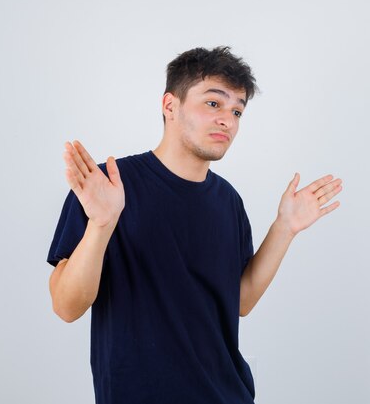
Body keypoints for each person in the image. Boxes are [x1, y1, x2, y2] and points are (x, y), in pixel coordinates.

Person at [46, 45, 343, 404]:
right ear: (170, 106)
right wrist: (101, 224)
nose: (228, 120)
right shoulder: (108, 186)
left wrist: (285, 227)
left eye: (237, 110)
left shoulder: (228, 201)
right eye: (213, 103)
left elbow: (240, 301)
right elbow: (66, 306)